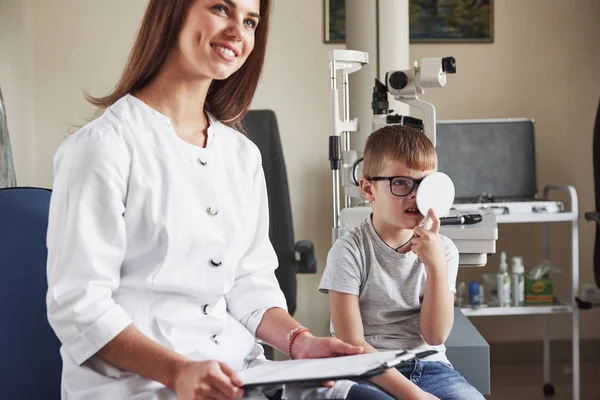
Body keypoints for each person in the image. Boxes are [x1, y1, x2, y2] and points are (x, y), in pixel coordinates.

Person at [45, 1, 364, 399]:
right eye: (220, 8)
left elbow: (251, 282)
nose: (238, 31)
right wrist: (178, 371)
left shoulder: (241, 155)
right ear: (173, 11)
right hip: (142, 386)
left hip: (243, 376)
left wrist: (298, 342)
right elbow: (79, 306)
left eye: (249, 21)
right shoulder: (102, 147)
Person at [319, 124, 486, 400]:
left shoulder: (443, 250)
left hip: (430, 367)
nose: (415, 195)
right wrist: (414, 395)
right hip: (365, 371)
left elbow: (435, 336)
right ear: (368, 189)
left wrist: (436, 268)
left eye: (425, 184)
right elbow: (351, 344)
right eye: (401, 182)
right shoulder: (348, 251)